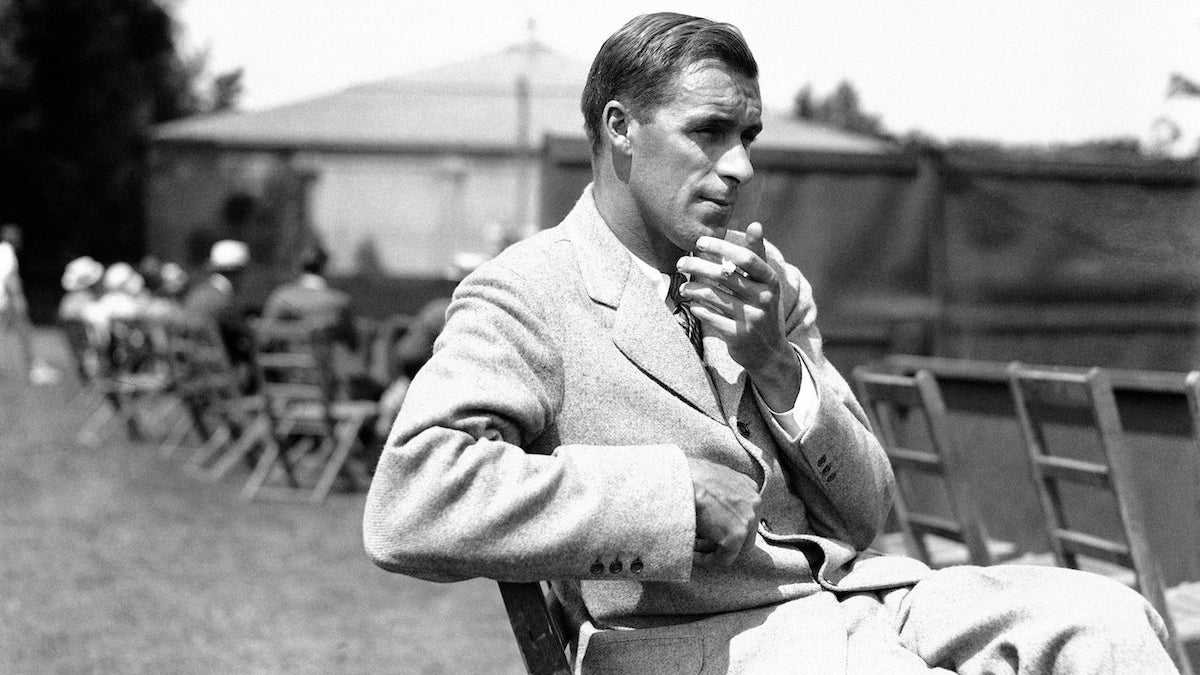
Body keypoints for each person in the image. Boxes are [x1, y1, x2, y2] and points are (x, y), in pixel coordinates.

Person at [363, 13, 1176, 674]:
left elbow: (864, 513)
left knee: (1112, 620)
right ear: (620, 128)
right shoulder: (528, 291)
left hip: (860, 598)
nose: (742, 165)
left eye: (748, 134)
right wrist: (671, 498)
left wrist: (777, 364)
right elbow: (411, 504)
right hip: (699, 642)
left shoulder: (766, 282)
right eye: (710, 132)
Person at [262, 243, 382, 400]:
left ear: (299, 266)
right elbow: (354, 346)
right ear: (325, 266)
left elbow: (263, 340)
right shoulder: (337, 303)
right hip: (325, 390)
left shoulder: (279, 298)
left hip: (285, 387)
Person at [1, 223, 59, 384]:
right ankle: (35, 370)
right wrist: (19, 301)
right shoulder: (7, 253)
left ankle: (33, 368)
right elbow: (10, 280)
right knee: (25, 334)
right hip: (5, 302)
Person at [184, 239, 253, 372]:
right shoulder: (224, 302)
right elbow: (247, 336)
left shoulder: (195, 295)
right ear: (237, 273)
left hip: (192, 370)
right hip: (217, 376)